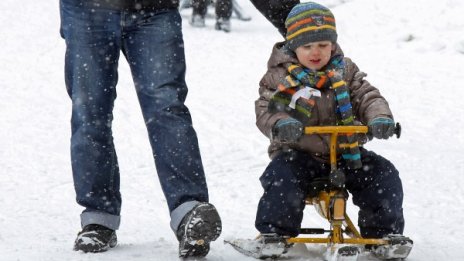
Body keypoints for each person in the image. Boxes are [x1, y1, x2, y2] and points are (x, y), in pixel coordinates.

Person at [59, 0, 222, 258]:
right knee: (90, 113)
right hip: (86, 11)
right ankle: (98, 217)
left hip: (155, 9)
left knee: (166, 107)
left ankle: (189, 212)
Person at [251, 1, 412, 258]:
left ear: (333, 44)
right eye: (307, 46)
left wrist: (379, 118)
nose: (316, 52)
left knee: (383, 175)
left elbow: (367, 96)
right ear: (293, 45)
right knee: (282, 177)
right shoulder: (282, 77)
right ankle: (275, 233)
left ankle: (383, 234)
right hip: (301, 153)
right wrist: (282, 124)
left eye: (323, 45)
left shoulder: (344, 71)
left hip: (348, 153)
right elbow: (268, 109)